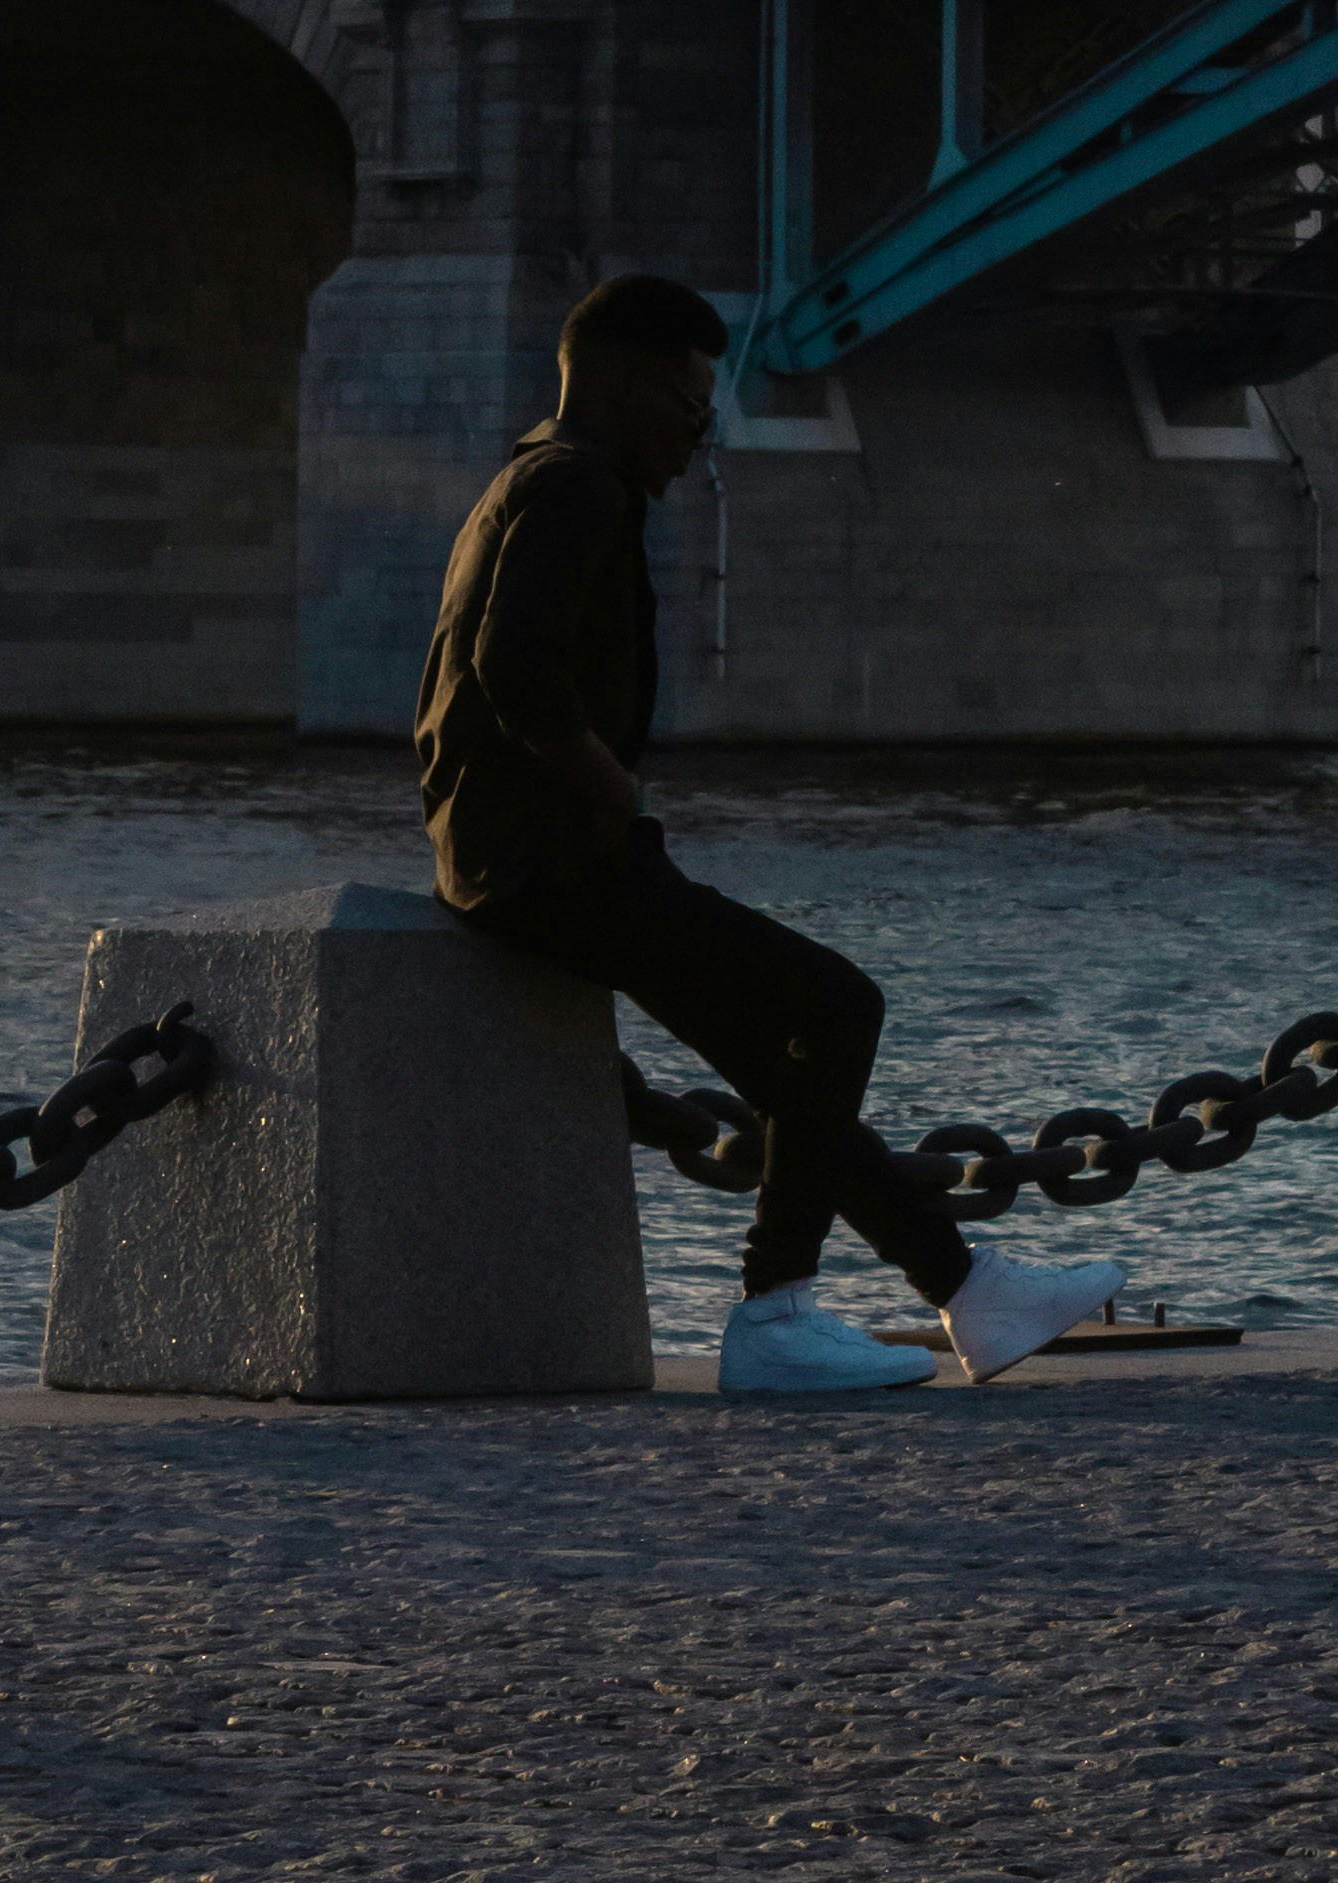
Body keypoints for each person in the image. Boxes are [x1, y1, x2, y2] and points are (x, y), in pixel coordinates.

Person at [415, 271, 1134, 1398]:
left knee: (777, 1061)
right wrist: (613, 792)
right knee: (837, 1007)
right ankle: (775, 1316)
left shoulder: (530, 475)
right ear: (622, 390)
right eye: (690, 404)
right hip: (550, 862)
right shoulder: (579, 488)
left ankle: (968, 1291)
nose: (701, 432)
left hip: (519, 858)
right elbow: (515, 670)